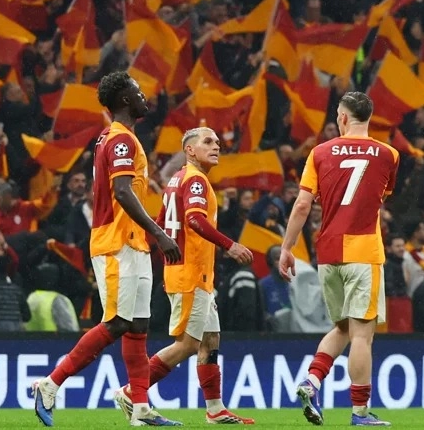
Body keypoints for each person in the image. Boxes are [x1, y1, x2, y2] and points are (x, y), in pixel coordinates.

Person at [32, 71, 182, 427]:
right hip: (116, 243)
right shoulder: (120, 140)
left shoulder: (119, 138)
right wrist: (159, 233)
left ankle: (140, 407)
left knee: (138, 326)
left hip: (133, 241)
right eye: (138, 92)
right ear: (125, 99)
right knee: (116, 322)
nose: (144, 96)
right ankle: (50, 384)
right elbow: (122, 192)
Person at [113, 127, 255, 425]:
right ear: (189, 150)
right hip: (191, 274)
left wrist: (169, 253)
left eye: (217, 142)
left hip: (191, 272)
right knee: (188, 344)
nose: (216, 146)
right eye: (208, 142)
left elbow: (162, 222)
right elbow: (194, 219)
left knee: (210, 339)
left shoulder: (177, 179)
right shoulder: (195, 180)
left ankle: (215, 409)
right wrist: (230, 245)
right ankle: (131, 391)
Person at [278, 92, 398, 427]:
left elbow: (303, 205)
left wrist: (287, 247)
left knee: (343, 327)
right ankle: (360, 412)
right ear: (368, 117)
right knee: (362, 334)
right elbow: (380, 197)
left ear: (342, 117)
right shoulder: (388, 154)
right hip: (364, 251)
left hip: (328, 253)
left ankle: (311, 381)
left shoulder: (319, 152)